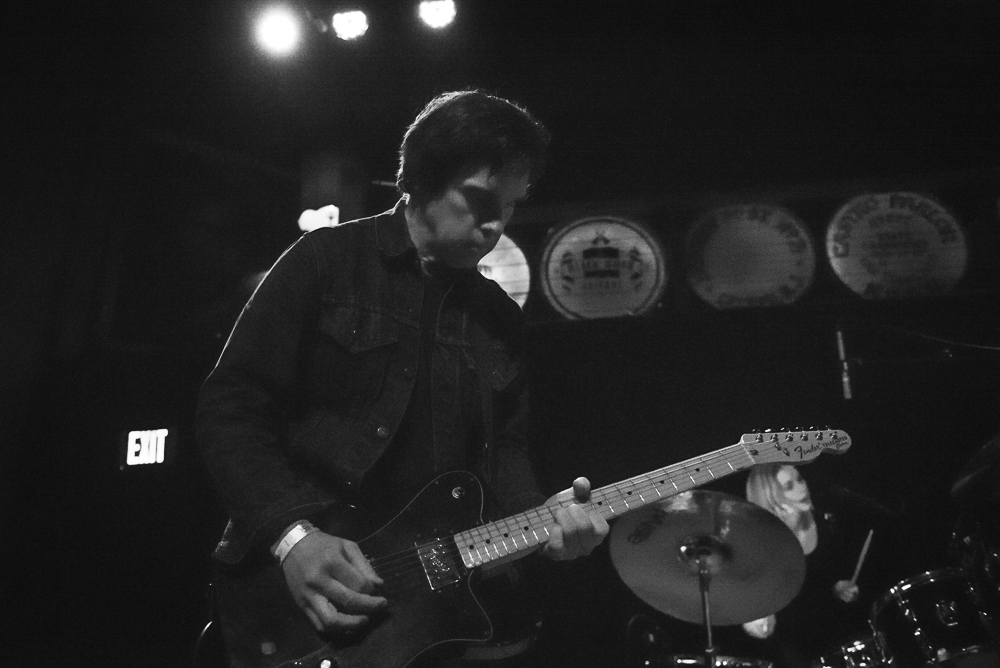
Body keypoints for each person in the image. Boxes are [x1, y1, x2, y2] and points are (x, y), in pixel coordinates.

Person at [196, 89, 609, 665]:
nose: (496, 224)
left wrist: (549, 526)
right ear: (419, 180)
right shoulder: (324, 260)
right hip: (298, 589)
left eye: (511, 205)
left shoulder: (500, 318)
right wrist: (293, 538)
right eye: (479, 199)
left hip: (430, 619)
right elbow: (231, 407)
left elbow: (504, 460)